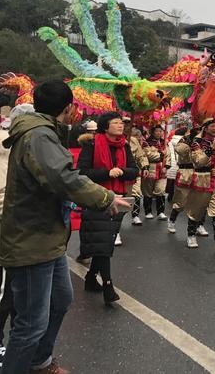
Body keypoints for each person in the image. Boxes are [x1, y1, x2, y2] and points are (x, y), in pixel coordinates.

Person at [0, 80, 129, 374]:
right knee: (30, 324)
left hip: (48, 236)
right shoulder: (40, 136)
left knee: (61, 299)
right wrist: (105, 197)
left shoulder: (44, 132)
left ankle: (40, 362)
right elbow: (64, 179)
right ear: (69, 108)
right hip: (31, 241)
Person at [78, 112, 138, 304]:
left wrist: (121, 172)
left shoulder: (124, 145)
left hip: (119, 199)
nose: (120, 126)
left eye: (121, 123)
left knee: (104, 243)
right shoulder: (92, 145)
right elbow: (82, 172)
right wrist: (106, 173)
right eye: (116, 123)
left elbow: (134, 170)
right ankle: (108, 286)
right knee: (103, 243)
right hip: (97, 199)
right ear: (105, 126)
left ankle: (90, 279)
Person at [0, 104, 34, 367]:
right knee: (7, 286)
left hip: (16, 217)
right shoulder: (20, 142)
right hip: (10, 216)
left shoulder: (24, 141)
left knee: (12, 285)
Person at [185, 118, 215, 251]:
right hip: (202, 178)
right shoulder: (197, 143)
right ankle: (191, 235)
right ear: (205, 128)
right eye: (212, 126)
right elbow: (198, 161)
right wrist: (211, 151)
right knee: (197, 210)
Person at [167, 127, 195, 234]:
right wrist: (190, 140)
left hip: (201, 174)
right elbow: (179, 150)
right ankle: (172, 220)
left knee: (199, 203)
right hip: (185, 172)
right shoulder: (184, 140)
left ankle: (199, 225)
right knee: (181, 201)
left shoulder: (206, 140)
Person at [123, 119, 149, 226]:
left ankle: (135, 215)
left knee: (137, 194)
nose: (128, 127)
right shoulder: (113, 138)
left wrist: (145, 166)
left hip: (133, 172)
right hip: (118, 173)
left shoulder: (134, 140)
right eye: (125, 124)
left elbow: (140, 155)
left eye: (130, 125)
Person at [141, 125, 168, 220]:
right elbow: (148, 155)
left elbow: (168, 155)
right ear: (152, 132)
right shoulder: (146, 142)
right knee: (148, 191)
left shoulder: (164, 142)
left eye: (161, 131)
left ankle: (160, 212)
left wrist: (166, 166)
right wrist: (161, 154)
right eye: (157, 131)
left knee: (161, 190)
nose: (159, 133)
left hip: (162, 169)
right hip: (151, 167)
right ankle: (148, 211)